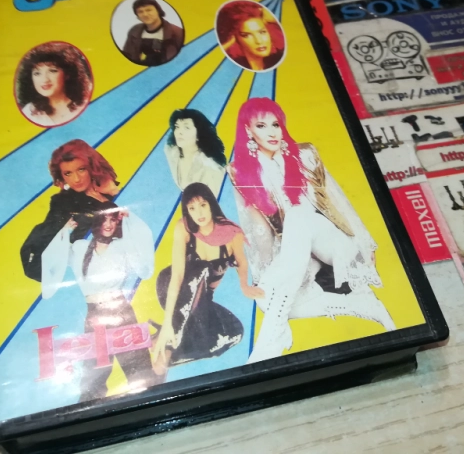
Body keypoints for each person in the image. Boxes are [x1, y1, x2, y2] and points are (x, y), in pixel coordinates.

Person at [228, 98, 395, 363]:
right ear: (248, 130)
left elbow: (338, 199)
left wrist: (366, 242)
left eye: (276, 124)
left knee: (297, 215)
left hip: (334, 243)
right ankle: (359, 306)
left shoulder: (305, 154)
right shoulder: (240, 172)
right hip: (298, 252)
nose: (272, 132)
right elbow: (257, 230)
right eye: (261, 125)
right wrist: (263, 276)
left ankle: (271, 339)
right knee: (265, 297)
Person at [41, 208, 158, 400]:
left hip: (121, 311)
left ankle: (152, 402)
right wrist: (65, 230)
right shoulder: (80, 248)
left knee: (139, 367)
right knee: (94, 373)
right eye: (104, 220)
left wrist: (131, 218)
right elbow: (54, 257)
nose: (109, 225)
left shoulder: (122, 245)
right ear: (96, 222)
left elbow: (143, 250)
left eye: (113, 220)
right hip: (94, 314)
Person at [152, 183, 263, 373]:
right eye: (192, 208)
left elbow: (241, 261)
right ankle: (171, 333)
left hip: (201, 301)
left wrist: (244, 285)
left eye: (203, 205)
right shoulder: (184, 228)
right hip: (172, 289)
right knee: (202, 268)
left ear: (211, 204)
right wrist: (168, 319)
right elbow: (177, 276)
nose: (199, 213)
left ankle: (172, 350)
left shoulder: (231, 233)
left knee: (233, 334)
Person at [20, 140, 120, 281]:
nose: (76, 179)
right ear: (62, 176)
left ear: (92, 167)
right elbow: (39, 256)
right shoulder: (62, 202)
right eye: (68, 173)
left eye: (81, 169)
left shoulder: (112, 190)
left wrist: (111, 192)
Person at [16, 42, 92, 126]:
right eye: (37, 73)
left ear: (67, 74)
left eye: (52, 71)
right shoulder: (30, 111)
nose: (44, 79)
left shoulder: (84, 105)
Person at [163, 109, 226, 194]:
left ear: (198, 135)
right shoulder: (172, 152)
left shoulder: (210, 168)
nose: (179, 132)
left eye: (186, 127)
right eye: (177, 127)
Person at [217, 1, 285, 72]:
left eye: (262, 32)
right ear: (235, 39)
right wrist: (228, 44)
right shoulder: (231, 68)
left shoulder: (278, 61)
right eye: (246, 35)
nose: (259, 41)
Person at [122, 0, 184, 66]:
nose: (145, 14)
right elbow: (128, 55)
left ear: (158, 11)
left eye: (149, 10)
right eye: (140, 12)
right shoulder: (135, 31)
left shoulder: (177, 32)